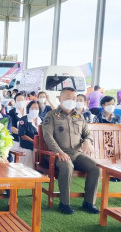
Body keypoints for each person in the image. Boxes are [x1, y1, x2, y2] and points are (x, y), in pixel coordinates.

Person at [42, 87, 100, 215]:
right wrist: (59, 152)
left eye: (74, 98)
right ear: (60, 98)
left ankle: (89, 202)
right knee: (68, 166)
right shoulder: (51, 115)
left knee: (96, 167)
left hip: (77, 154)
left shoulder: (79, 116)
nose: (72, 101)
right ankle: (65, 203)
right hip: (58, 155)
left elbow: (88, 134)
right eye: (68, 98)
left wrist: (87, 141)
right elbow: (48, 136)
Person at [18, 101, 41, 168]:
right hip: (27, 147)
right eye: (32, 108)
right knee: (27, 168)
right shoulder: (24, 119)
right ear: (28, 109)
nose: (34, 110)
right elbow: (23, 135)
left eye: (36, 108)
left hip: (39, 147)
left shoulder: (41, 119)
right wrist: (34, 141)